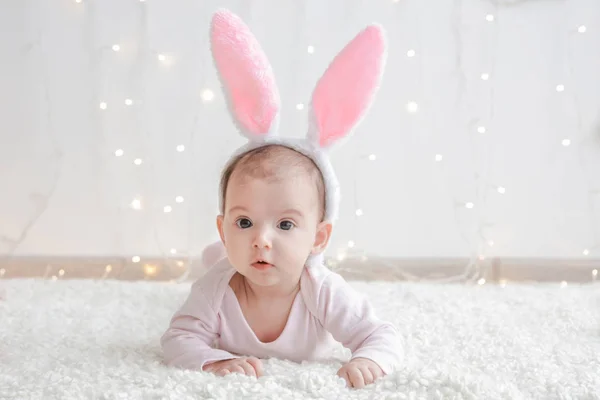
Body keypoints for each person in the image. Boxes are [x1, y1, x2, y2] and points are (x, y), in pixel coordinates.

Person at [160, 9, 402, 389]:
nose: (261, 239)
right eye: (244, 223)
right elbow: (178, 339)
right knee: (215, 265)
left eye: (286, 224)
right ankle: (215, 252)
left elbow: (381, 336)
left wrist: (369, 360)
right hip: (220, 262)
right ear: (223, 229)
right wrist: (213, 361)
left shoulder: (322, 289)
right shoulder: (215, 289)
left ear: (319, 238)